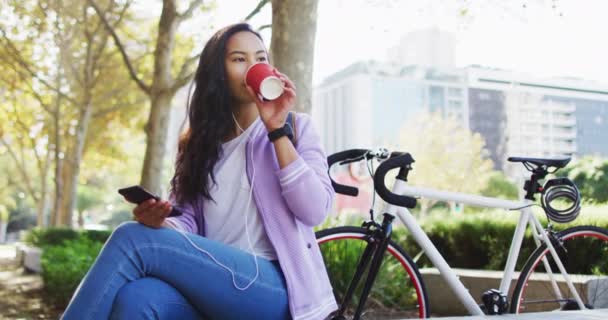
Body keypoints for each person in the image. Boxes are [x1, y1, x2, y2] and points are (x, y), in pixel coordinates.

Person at [61, 22, 337, 320]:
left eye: (260, 58)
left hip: (273, 289)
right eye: (239, 59)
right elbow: (187, 221)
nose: (252, 67)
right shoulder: (198, 144)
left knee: (131, 238)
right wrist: (159, 222)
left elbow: (314, 210)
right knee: (136, 298)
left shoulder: (296, 128)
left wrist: (276, 130)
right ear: (218, 72)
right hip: (212, 286)